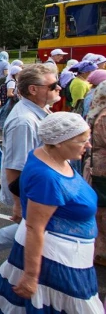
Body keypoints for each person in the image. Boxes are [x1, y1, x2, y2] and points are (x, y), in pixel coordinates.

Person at [0, 112, 102, 313]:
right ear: (59, 142)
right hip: (57, 257)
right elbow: (34, 227)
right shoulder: (47, 176)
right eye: (82, 141)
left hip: (67, 251)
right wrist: (31, 276)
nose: (89, 145)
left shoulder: (49, 155)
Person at [0, 64, 60, 273]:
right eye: (53, 85)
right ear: (33, 89)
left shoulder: (39, 110)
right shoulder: (24, 121)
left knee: (38, 228)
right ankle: (15, 277)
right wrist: (18, 203)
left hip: (42, 185)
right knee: (37, 229)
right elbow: (15, 167)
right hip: (30, 189)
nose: (58, 88)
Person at [86, 82, 106, 267]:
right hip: (102, 167)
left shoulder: (97, 112)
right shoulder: (104, 116)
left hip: (97, 165)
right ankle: (100, 252)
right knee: (102, 210)